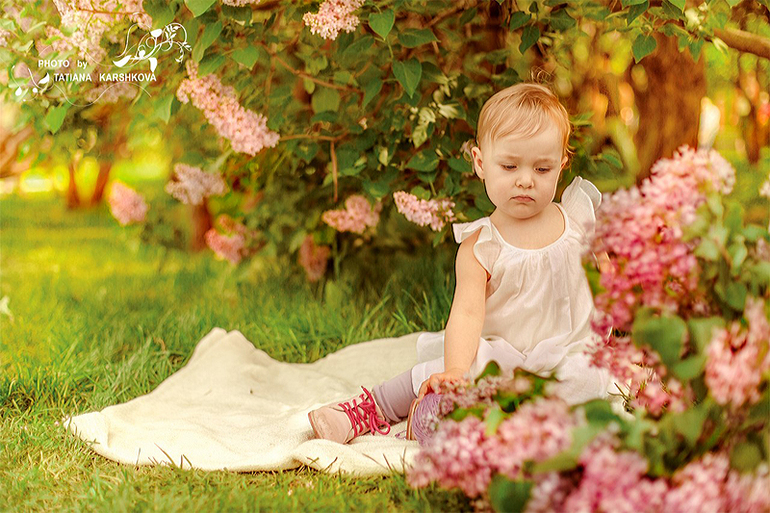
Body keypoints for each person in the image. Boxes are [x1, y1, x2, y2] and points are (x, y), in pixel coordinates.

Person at [307, 82, 614, 445]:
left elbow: (606, 277)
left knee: (586, 381)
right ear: (481, 164)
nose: (526, 180)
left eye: (543, 169)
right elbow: (467, 314)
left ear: (561, 166)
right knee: (457, 369)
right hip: (500, 351)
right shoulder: (481, 245)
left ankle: (496, 421)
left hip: (565, 351)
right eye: (510, 165)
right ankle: (370, 410)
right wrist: (455, 369)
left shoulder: (577, 219)